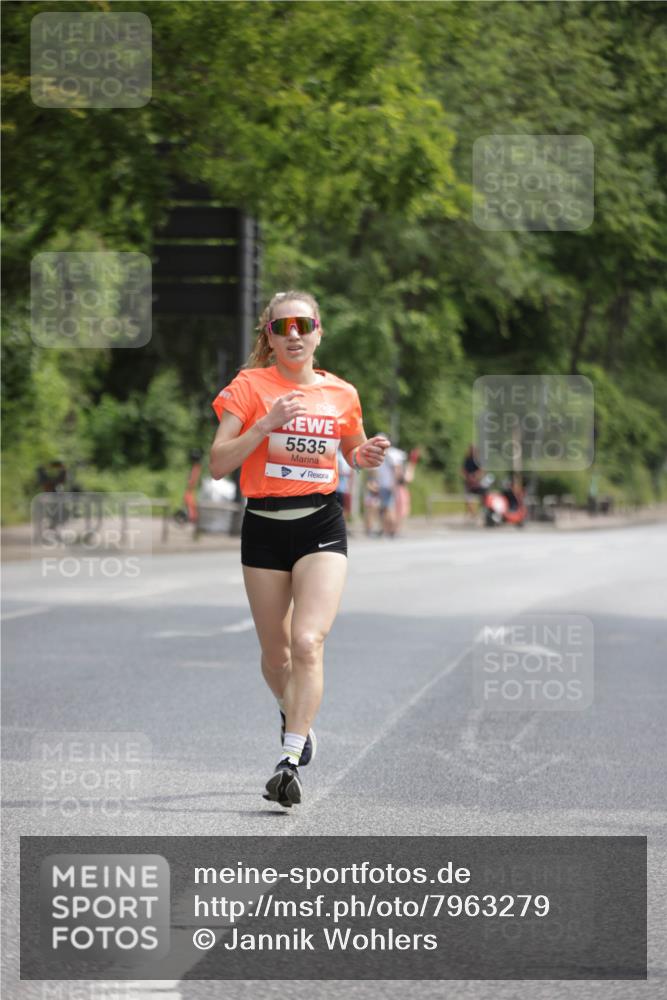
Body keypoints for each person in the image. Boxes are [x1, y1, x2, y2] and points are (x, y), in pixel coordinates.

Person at [209, 290, 389, 808]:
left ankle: (288, 760)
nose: (293, 335)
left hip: (320, 523)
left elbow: (352, 451)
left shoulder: (341, 393)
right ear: (268, 334)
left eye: (302, 325)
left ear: (318, 331)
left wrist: (365, 454)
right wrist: (265, 425)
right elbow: (220, 462)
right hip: (263, 525)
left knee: (308, 640)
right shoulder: (249, 387)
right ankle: (298, 719)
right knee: (276, 653)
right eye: (282, 326)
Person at [461, 444, 484, 518]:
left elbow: (481, 471)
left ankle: (479, 512)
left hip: (476, 483)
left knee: (481, 497)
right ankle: (472, 514)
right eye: (471, 450)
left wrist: (475, 477)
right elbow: (462, 470)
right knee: (468, 498)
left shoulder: (477, 460)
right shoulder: (467, 459)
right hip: (468, 483)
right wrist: (467, 477)